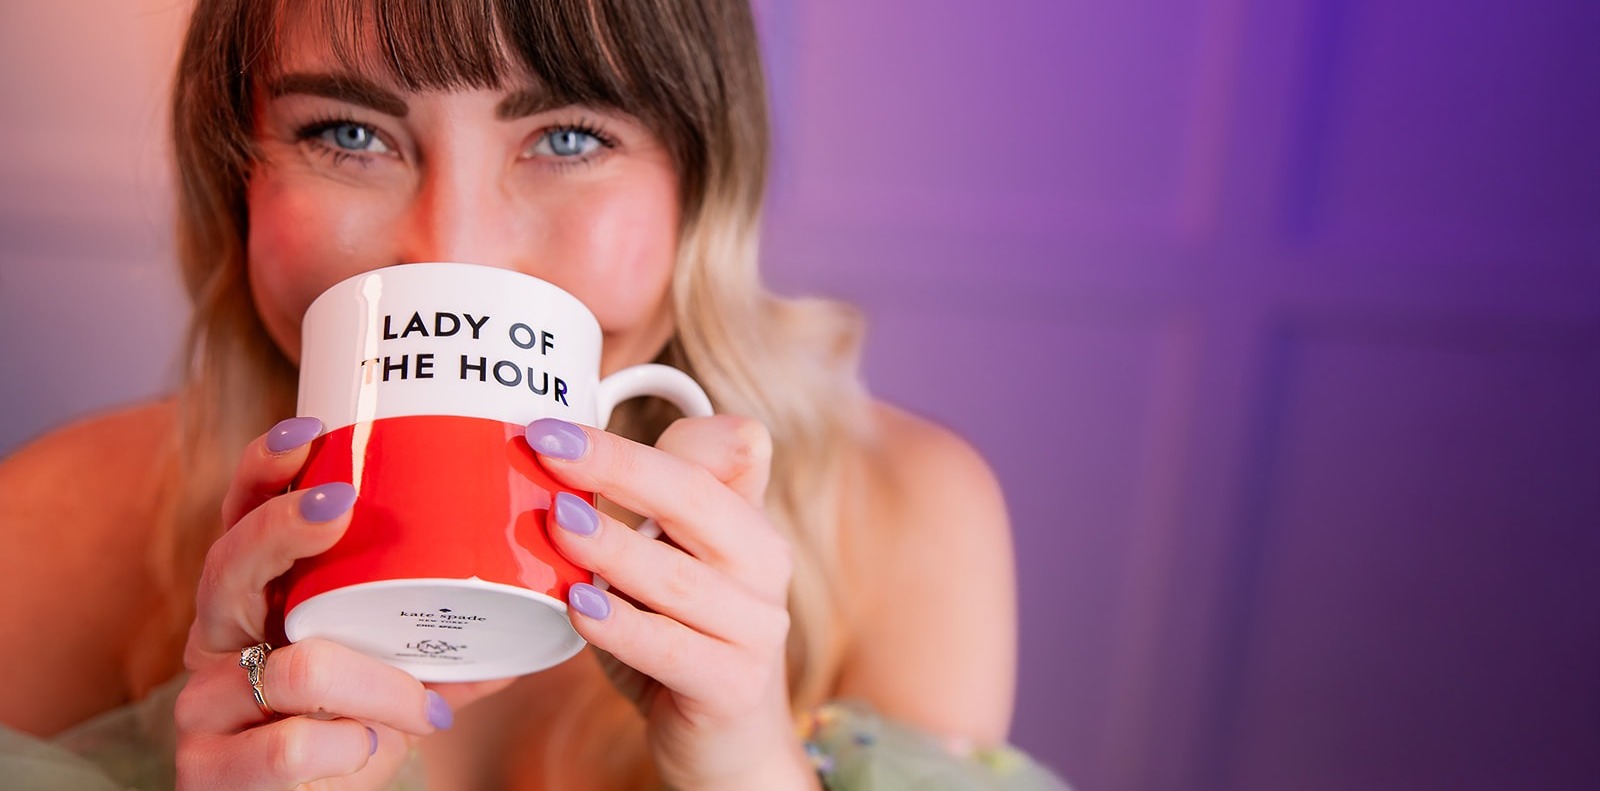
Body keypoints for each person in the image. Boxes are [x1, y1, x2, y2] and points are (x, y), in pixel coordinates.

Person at [0, 1, 1069, 789]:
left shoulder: (905, 517)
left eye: (569, 137)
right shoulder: (60, 519)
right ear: (232, 177)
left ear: (700, 187)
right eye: (347, 132)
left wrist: (746, 765)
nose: (455, 250)